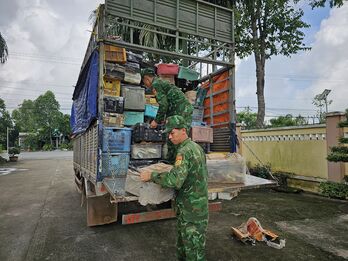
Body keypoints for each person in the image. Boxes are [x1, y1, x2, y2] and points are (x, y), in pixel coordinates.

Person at [140, 115, 209, 261]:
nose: (170, 137)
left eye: (172, 133)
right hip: (196, 207)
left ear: (183, 131)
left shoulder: (183, 152)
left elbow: (175, 181)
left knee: (193, 253)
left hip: (191, 211)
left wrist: (151, 176)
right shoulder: (196, 148)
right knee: (186, 247)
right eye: (168, 134)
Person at [142, 68, 194, 163]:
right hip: (181, 109)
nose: (146, 85)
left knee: (175, 135)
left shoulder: (156, 84)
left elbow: (164, 104)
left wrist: (156, 120)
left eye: (144, 82)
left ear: (147, 79)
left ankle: (176, 162)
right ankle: (175, 160)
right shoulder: (160, 82)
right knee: (177, 134)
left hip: (181, 109)